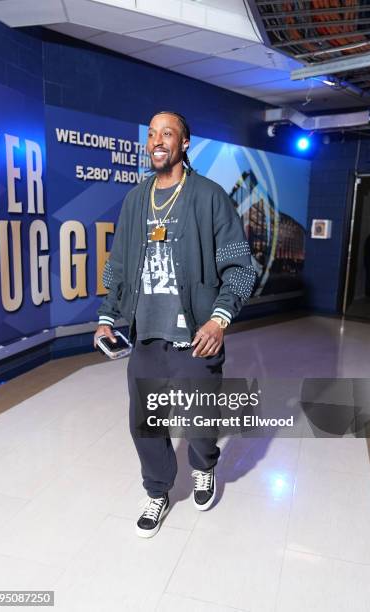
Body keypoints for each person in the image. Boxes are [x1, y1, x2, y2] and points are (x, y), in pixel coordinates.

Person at [94, 111, 256, 538]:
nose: (157, 141)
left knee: (201, 421)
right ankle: (158, 490)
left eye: (167, 133)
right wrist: (108, 317)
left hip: (196, 337)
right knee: (144, 422)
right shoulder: (135, 199)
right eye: (151, 134)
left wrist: (219, 320)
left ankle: (204, 467)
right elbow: (119, 267)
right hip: (147, 334)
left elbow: (241, 266)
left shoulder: (209, 196)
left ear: (184, 143)